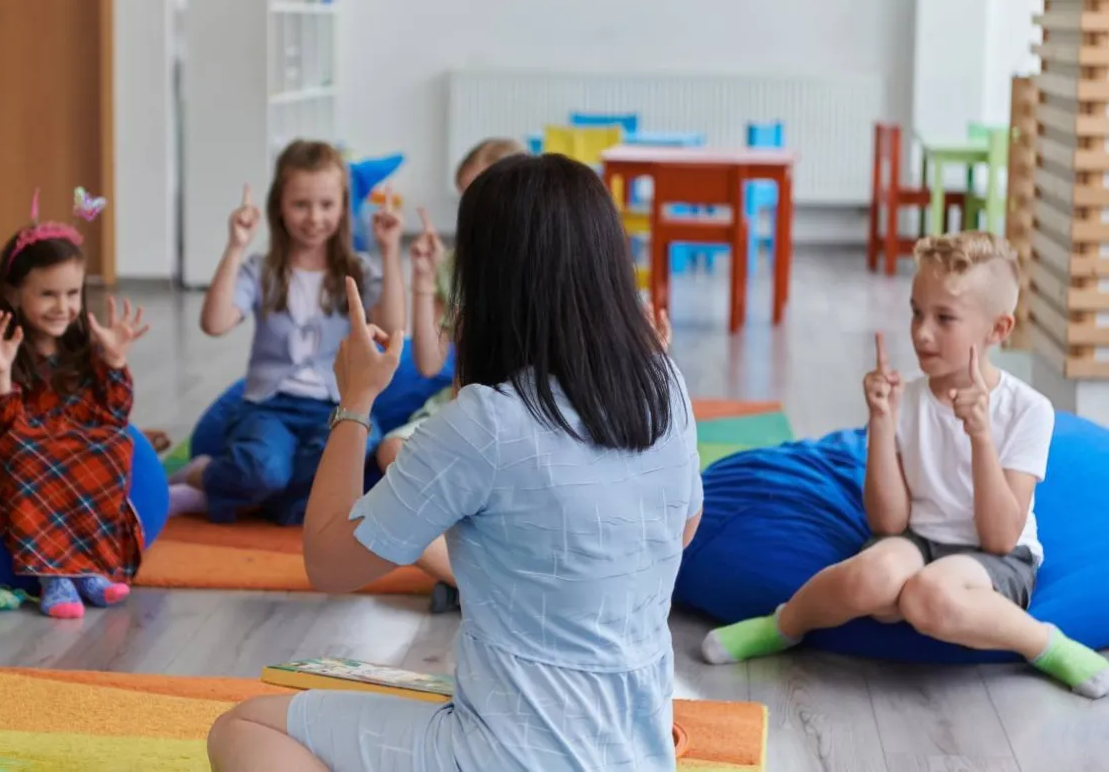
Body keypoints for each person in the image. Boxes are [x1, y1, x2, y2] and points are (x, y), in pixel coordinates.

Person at [206, 153, 703, 772]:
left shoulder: (487, 422)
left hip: (504, 755)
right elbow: (682, 530)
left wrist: (355, 400)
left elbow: (329, 563)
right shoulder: (665, 383)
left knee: (245, 727)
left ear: (485, 274)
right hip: (637, 753)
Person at [701, 231, 1109, 699]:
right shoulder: (909, 397)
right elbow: (888, 522)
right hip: (917, 538)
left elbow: (999, 537)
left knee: (927, 596)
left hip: (997, 557)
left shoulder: (1027, 410)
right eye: (917, 312)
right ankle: (782, 625)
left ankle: (1045, 644)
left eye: (944, 318)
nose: (922, 332)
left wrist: (979, 435)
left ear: (998, 330)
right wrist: (881, 421)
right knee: (869, 578)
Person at [167, 140, 405, 525]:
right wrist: (235, 247)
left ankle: (259, 499)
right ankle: (205, 475)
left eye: (326, 205)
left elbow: (394, 328)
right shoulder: (261, 269)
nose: (314, 217)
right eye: (300, 205)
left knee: (352, 458)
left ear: (343, 206)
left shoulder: (358, 269)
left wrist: (390, 252)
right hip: (268, 407)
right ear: (279, 204)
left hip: (335, 407)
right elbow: (214, 323)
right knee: (266, 470)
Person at [0, 198, 149, 620]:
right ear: (13, 292)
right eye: (47, 294)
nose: (62, 306)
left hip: (71, 465)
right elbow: (0, 434)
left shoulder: (84, 344)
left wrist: (115, 361)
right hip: (15, 472)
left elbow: (113, 417)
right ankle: (54, 576)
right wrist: (0, 373)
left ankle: (89, 566)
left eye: (71, 293)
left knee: (116, 443)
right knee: (27, 451)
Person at [374, 137, 527, 472]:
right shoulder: (454, 268)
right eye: (468, 200)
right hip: (464, 406)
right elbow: (430, 364)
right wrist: (425, 280)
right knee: (392, 450)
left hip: (527, 412)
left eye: (486, 197)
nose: (476, 213)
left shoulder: (542, 264)